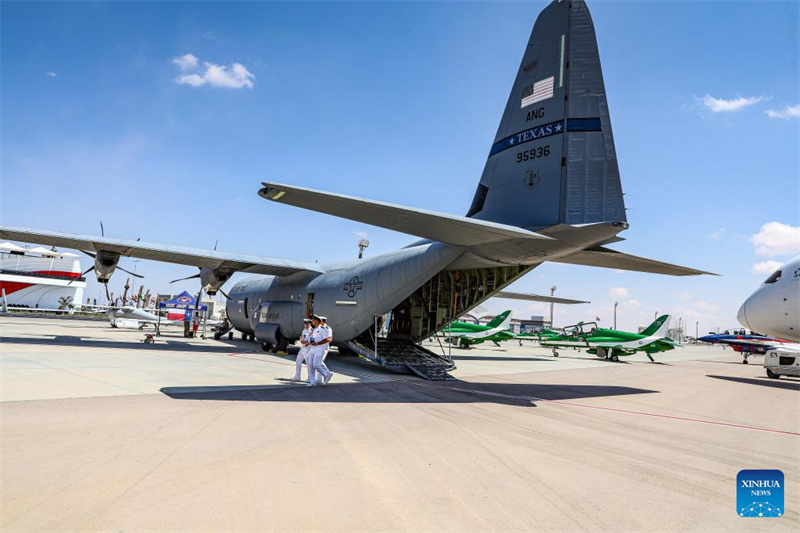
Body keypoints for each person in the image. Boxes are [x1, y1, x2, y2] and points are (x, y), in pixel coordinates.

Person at [308, 315, 333, 386]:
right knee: (310, 365)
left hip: (320, 348)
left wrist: (317, 343)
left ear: (318, 321)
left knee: (316, 364)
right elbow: (313, 338)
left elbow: (327, 339)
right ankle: (312, 382)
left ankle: (327, 374)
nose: (312, 321)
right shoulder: (315, 329)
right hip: (313, 348)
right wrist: (310, 342)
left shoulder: (323, 329)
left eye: (313, 320)